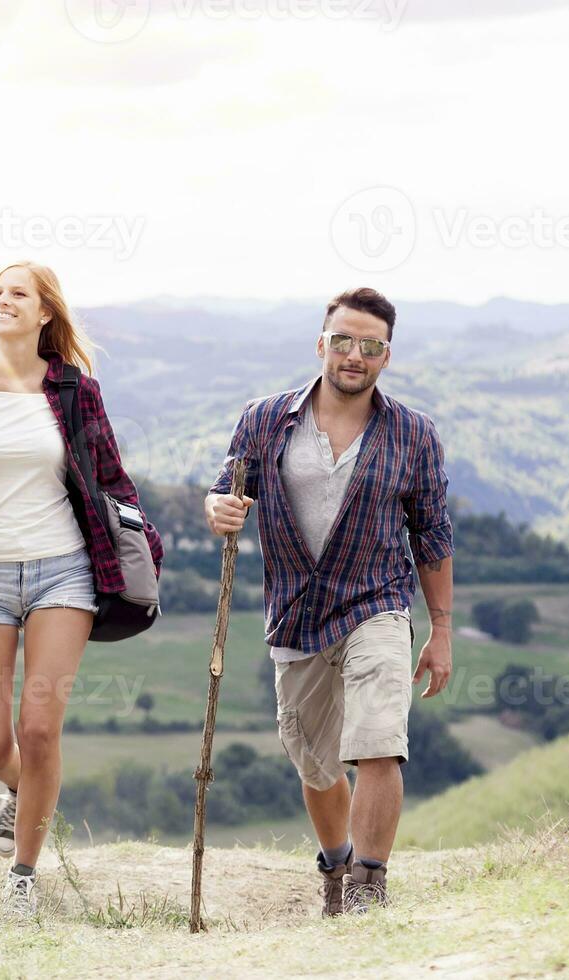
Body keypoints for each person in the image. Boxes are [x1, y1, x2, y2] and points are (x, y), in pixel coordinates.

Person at [0, 261, 161, 917]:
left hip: (63, 572)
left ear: (46, 312)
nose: (3, 300)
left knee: (39, 729)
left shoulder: (75, 391)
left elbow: (111, 480)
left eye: (18, 293)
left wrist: (144, 550)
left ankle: (22, 874)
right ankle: (29, 792)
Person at [205, 287, 453, 916]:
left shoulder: (413, 434)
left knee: (376, 740)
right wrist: (220, 509)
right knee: (315, 762)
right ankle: (338, 867)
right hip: (296, 611)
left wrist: (441, 629)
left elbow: (432, 535)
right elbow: (225, 488)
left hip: (378, 602)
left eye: (370, 346)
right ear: (321, 344)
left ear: (386, 356)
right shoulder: (264, 419)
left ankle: (370, 886)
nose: (354, 355)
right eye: (342, 340)